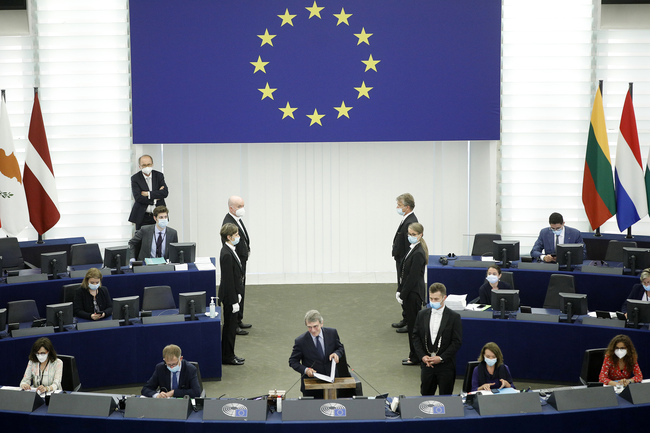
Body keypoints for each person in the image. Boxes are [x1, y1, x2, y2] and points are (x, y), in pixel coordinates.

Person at [412, 283, 463, 396]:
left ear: (444, 298)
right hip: (427, 365)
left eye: (436, 299)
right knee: (425, 397)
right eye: (431, 298)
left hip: (446, 366)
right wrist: (422, 356)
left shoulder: (454, 317)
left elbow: (456, 341)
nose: (433, 301)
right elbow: (415, 337)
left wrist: (441, 358)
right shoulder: (421, 314)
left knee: (445, 398)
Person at [289, 309, 345, 398]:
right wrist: (306, 370)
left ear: (321, 323)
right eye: (309, 327)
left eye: (315, 326)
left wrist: (337, 354)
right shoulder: (301, 341)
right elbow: (292, 361)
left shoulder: (332, 333)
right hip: (312, 387)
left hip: (332, 384)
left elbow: (340, 347)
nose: (313, 330)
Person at [398, 222, 428, 366]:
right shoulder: (413, 249)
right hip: (410, 292)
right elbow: (405, 272)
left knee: (414, 328)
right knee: (412, 326)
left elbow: (412, 277)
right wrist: (400, 289)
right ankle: (414, 354)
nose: (410, 236)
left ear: (420, 235)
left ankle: (415, 356)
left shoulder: (418, 253)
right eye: (409, 234)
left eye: (413, 234)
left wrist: (402, 294)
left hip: (413, 294)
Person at [222, 195, 251, 335]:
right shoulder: (228, 222)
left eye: (243, 206)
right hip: (236, 263)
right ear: (231, 208)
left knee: (241, 290)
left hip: (241, 262)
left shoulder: (237, 219)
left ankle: (239, 320)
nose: (242, 209)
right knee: (236, 291)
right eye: (239, 206)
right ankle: (234, 324)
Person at [219, 223, 245, 365]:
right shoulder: (226, 254)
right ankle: (227, 356)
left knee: (231, 326)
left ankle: (229, 353)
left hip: (233, 294)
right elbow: (228, 280)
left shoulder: (230, 250)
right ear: (229, 237)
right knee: (229, 328)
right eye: (236, 235)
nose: (238, 237)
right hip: (230, 297)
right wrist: (234, 300)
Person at [391, 193, 418, 333]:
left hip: (404, 262)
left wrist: (404, 263)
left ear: (407, 207)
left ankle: (410, 321)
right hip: (400, 260)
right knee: (402, 287)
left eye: (399, 205)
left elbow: (408, 246)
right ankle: (406, 317)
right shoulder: (406, 219)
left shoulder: (410, 222)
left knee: (405, 290)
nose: (397, 207)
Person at [128, 154, 168, 230]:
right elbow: (138, 197)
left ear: (152, 164)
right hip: (142, 216)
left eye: (149, 164)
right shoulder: (135, 178)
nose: (147, 167)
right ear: (140, 166)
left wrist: (148, 194)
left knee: (160, 236)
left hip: (158, 215)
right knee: (141, 236)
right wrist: (155, 198)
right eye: (144, 165)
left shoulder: (159, 175)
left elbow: (165, 193)